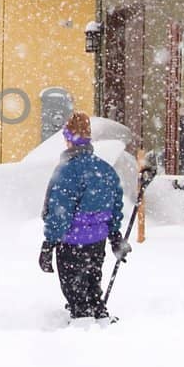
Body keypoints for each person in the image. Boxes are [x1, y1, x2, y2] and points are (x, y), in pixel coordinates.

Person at [39, 112, 128, 323]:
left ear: (69, 138)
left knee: (75, 292)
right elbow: (115, 206)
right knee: (91, 284)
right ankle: (99, 316)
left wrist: (49, 244)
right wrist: (115, 235)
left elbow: (59, 212)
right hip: (97, 242)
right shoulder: (105, 169)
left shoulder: (68, 171)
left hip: (72, 242)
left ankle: (83, 326)